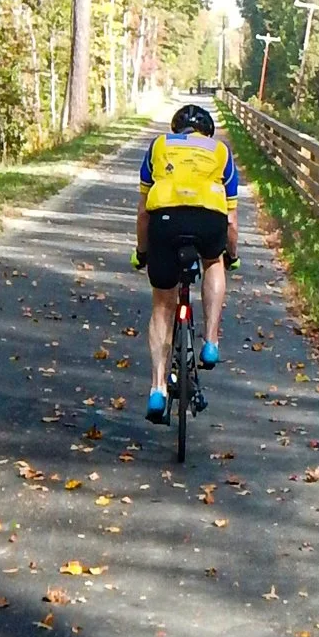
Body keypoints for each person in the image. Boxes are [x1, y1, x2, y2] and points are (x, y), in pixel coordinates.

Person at [134, 97, 240, 419]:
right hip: (208, 221)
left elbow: (142, 213)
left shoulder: (159, 146)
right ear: (207, 132)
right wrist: (231, 255)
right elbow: (232, 222)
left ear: (176, 130)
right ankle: (210, 340)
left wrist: (142, 253)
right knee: (213, 262)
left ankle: (157, 389)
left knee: (162, 304)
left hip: (165, 222)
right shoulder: (220, 152)